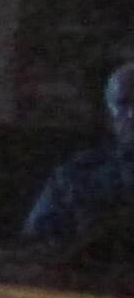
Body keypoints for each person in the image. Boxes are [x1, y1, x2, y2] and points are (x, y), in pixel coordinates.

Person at [24, 61, 134, 252]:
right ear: (109, 117)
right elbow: (34, 247)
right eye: (123, 104)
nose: (133, 114)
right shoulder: (75, 176)